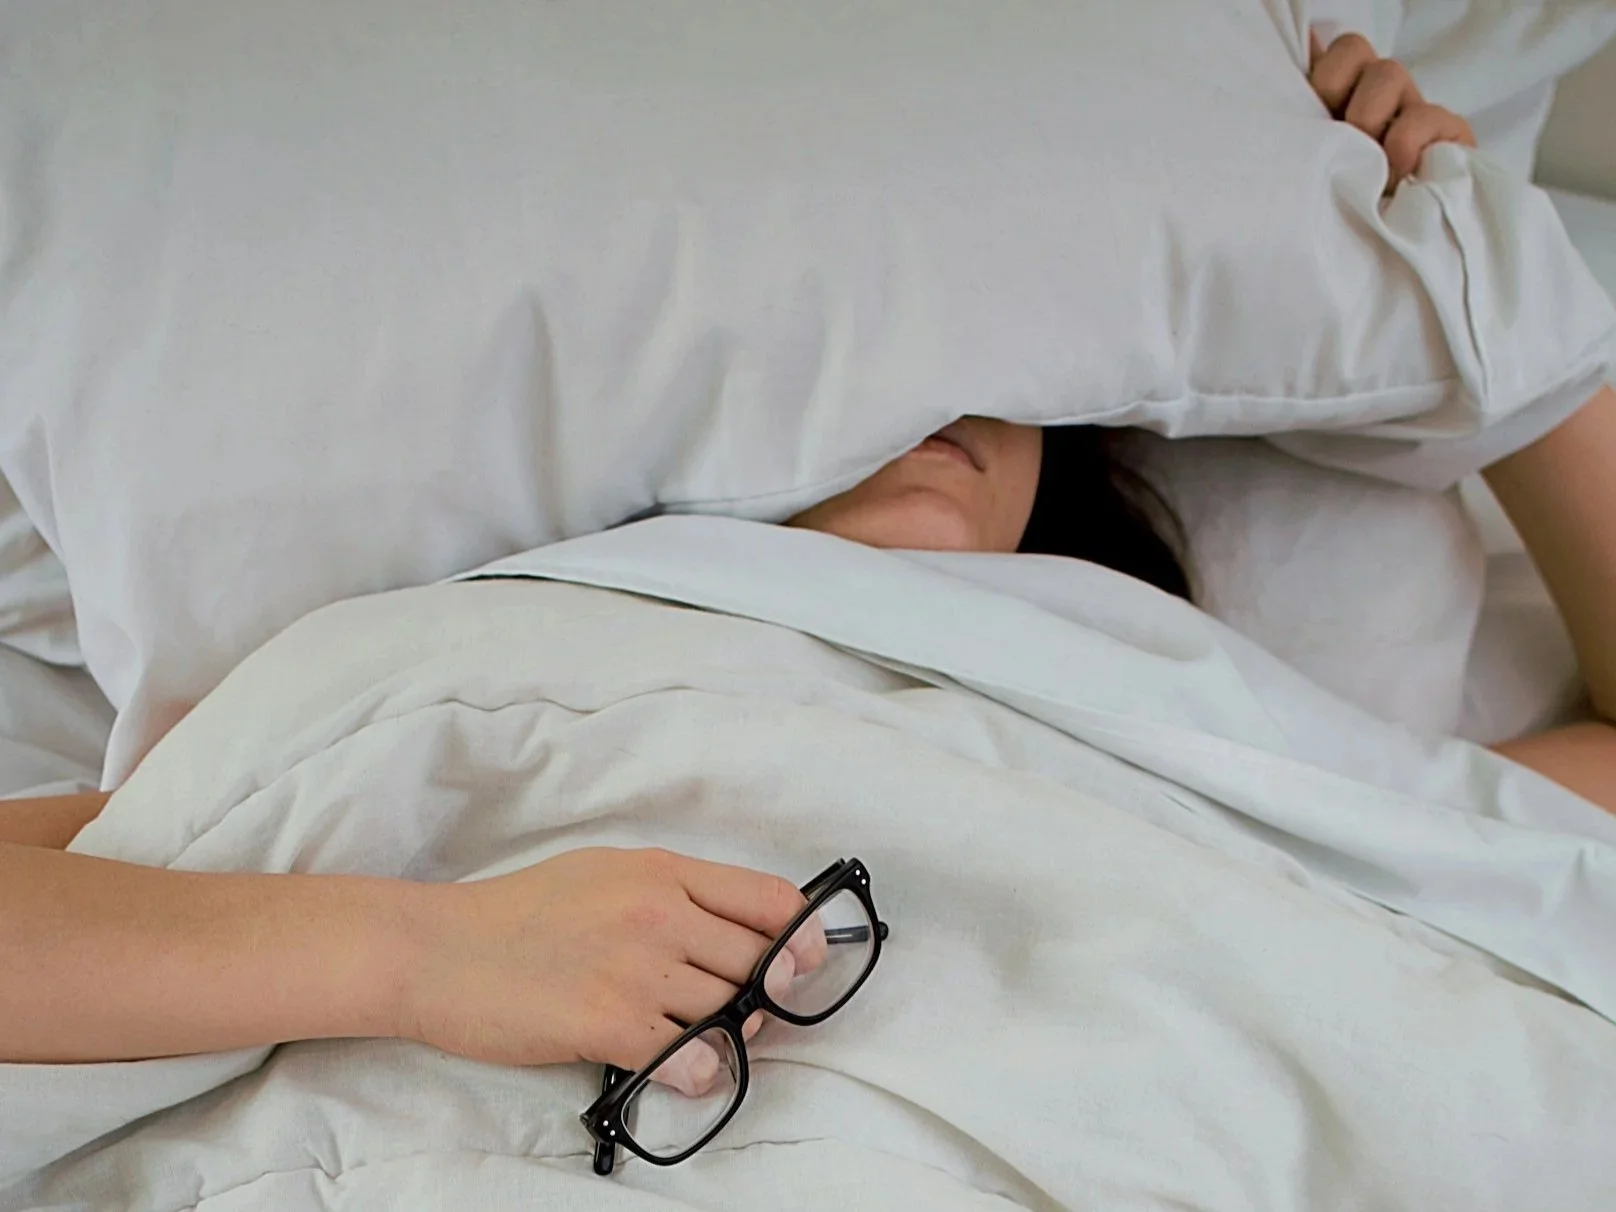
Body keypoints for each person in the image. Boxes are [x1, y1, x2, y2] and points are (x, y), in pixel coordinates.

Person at [0, 33, 1608, 1083]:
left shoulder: (1186, 710)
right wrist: (426, 955)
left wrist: (1465, 258)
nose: (924, 410)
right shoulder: (501, 666)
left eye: (986, 371)